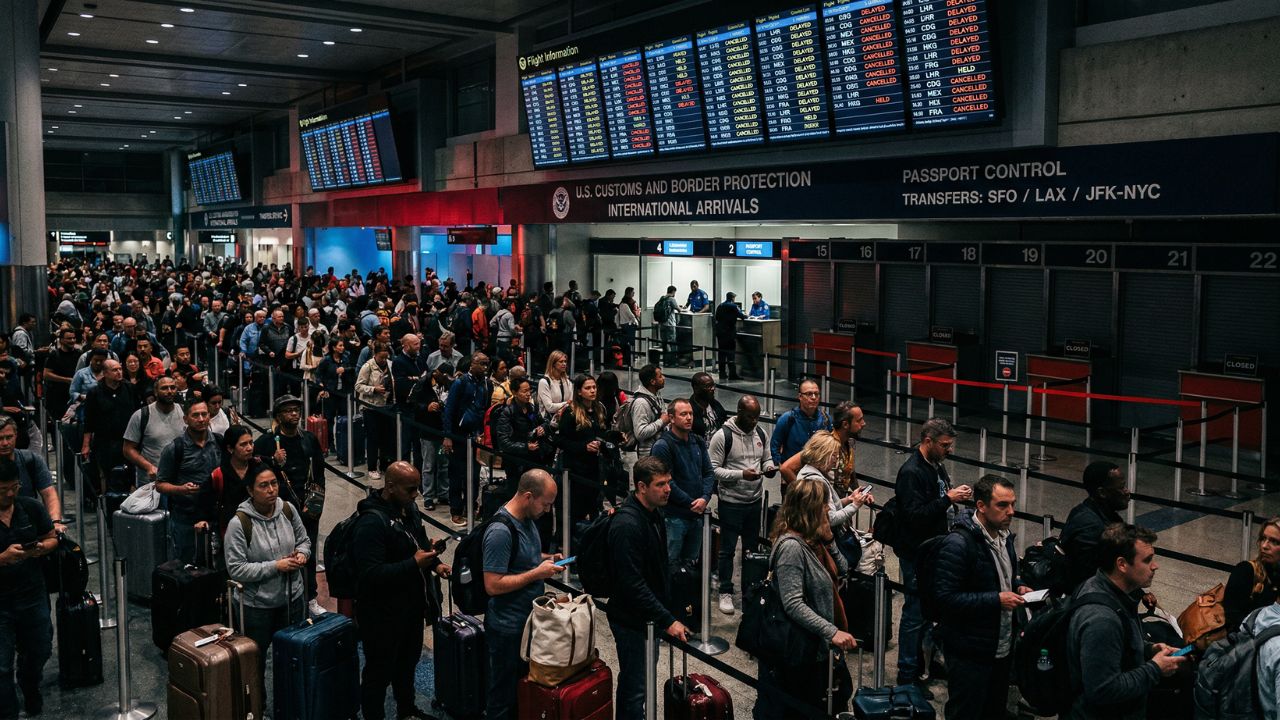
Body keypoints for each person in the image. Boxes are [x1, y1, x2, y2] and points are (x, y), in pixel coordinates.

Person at [351, 461, 451, 720]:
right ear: (390, 486)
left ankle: (406, 710)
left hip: (411, 607)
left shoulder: (410, 509)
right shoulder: (371, 523)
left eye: (417, 488)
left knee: (407, 665)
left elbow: (418, 542)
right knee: (378, 673)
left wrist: (436, 563)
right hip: (380, 614)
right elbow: (370, 574)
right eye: (410, 489)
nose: (416, 494)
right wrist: (413, 563)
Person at [753, 477, 855, 720]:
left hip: (816, 645)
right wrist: (831, 631)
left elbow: (842, 569)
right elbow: (793, 603)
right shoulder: (792, 547)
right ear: (810, 509)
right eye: (824, 505)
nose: (829, 509)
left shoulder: (814, 539)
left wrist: (830, 540)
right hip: (798, 648)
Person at [933, 475, 1030, 720]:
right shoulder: (958, 544)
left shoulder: (1003, 536)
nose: (1011, 512)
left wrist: (1017, 586)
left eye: (1012, 504)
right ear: (981, 506)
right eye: (1002, 505)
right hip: (970, 650)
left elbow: (1002, 576)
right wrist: (996, 600)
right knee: (967, 711)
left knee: (993, 709)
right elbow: (945, 598)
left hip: (999, 646)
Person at [1066, 523, 1186, 719]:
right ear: (1121, 564)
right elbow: (1102, 689)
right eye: (1147, 560)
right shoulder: (1102, 620)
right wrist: (1155, 668)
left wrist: (1147, 649)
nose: (1155, 566)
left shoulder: (1101, 587)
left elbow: (1114, 648)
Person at [605, 456, 689, 719]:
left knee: (641, 681)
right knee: (635, 686)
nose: (668, 490)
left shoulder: (653, 514)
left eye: (669, 483)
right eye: (660, 484)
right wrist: (667, 619)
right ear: (642, 487)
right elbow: (632, 583)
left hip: (647, 617)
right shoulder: (628, 525)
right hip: (630, 620)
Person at [893, 418, 970, 693]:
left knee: (930, 613)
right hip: (917, 553)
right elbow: (914, 517)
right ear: (928, 442)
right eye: (945, 445)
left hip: (935, 549)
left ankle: (926, 661)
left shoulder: (936, 465)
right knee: (914, 614)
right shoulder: (911, 472)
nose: (949, 450)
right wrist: (947, 499)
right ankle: (907, 673)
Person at [481, 470, 563, 720]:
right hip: (507, 628)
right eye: (546, 504)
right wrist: (537, 574)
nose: (547, 511)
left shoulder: (527, 521)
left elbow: (521, 559)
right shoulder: (500, 532)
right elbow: (492, 584)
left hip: (526, 624)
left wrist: (547, 561)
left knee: (521, 694)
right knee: (503, 697)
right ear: (528, 496)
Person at [222, 463, 310, 676]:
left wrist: (302, 554)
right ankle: (256, 706)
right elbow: (236, 569)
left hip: (292, 600)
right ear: (250, 491)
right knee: (255, 662)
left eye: (273, 483)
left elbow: (304, 540)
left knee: (292, 661)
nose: (271, 490)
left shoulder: (288, 510)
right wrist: (276, 566)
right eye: (263, 486)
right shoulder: (239, 523)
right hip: (257, 607)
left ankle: (288, 705)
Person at [253, 394, 327, 616]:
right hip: (279, 509)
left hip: (306, 508)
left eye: (296, 410)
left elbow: (319, 475)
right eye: (288, 411)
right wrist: (273, 461)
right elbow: (254, 469)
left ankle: (310, 597)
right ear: (278, 416)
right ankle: (284, 598)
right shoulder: (267, 442)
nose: (294, 414)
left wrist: (315, 505)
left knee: (309, 553)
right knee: (282, 553)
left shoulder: (308, 439)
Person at [0, 457, 56, 719]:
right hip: (1, 602)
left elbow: (51, 537)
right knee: (0, 667)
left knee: (40, 649)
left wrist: (42, 549)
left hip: (32, 594)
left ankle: (29, 683)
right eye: (3, 490)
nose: (10, 494)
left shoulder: (30, 507)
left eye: (14, 487)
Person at [708, 395, 773, 614]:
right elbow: (714, 469)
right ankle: (725, 590)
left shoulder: (761, 433)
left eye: (756, 417)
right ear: (739, 412)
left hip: (754, 501)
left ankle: (749, 590)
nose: (754, 421)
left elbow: (766, 458)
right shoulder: (722, 436)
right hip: (731, 503)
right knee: (727, 550)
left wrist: (770, 467)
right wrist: (741, 474)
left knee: (751, 549)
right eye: (750, 417)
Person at [155, 399, 222, 564]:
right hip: (186, 518)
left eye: (204, 414)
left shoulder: (219, 442)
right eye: (195, 415)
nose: (201, 419)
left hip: (215, 516)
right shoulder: (175, 449)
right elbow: (160, 485)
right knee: (188, 567)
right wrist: (181, 489)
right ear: (186, 419)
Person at [650, 398, 714, 567]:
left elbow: (708, 472)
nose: (689, 418)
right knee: (671, 563)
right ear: (671, 418)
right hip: (674, 516)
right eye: (683, 414)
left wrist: (705, 497)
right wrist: (691, 502)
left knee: (690, 564)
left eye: (691, 414)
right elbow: (666, 483)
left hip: (696, 514)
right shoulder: (662, 446)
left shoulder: (697, 441)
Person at [796, 431, 873, 568]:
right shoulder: (816, 481)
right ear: (823, 454)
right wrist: (855, 505)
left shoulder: (810, 473)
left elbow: (830, 505)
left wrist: (849, 499)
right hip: (820, 544)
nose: (835, 461)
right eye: (834, 456)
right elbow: (831, 518)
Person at [1060, 461, 1130, 594]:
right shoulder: (1090, 527)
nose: (1127, 492)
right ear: (1102, 492)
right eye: (1122, 487)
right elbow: (1090, 577)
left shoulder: (1097, 512)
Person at [552, 374, 609, 526]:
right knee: (575, 510)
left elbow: (602, 433)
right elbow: (560, 440)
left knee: (594, 506)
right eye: (588, 388)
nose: (592, 391)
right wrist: (583, 447)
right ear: (578, 391)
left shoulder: (599, 409)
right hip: (575, 468)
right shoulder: (570, 413)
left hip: (595, 467)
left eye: (594, 387)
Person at [443, 352, 491, 527]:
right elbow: (449, 409)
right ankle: (455, 510)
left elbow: (485, 410)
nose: (485, 368)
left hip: (475, 436)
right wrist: (448, 435)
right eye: (482, 364)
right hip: (457, 435)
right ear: (472, 364)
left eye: (487, 364)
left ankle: (470, 507)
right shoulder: (460, 383)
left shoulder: (486, 383)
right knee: (456, 474)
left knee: (474, 475)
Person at [80, 358, 137, 493]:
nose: (119, 372)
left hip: (128, 440)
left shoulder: (130, 388)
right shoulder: (94, 393)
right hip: (105, 441)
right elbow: (89, 421)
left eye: (120, 369)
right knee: (108, 476)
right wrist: (86, 444)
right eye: (114, 370)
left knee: (129, 474)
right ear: (105, 373)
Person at [122, 375, 188, 487]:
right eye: (164, 388)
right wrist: (149, 467)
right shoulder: (141, 415)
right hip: (151, 481)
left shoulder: (185, 413)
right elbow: (128, 449)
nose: (169, 391)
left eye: (172, 388)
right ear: (156, 392)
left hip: (180, 480)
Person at [780, 401, 864, 488]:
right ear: (845, 424)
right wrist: (806, 493)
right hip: (823, 500)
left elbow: (849, 475)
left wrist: (860, 493)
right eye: (859, 420)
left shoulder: (848, 443)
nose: (863, 423)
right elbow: (786, 468)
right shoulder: (824, 445)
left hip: (840, 500)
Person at [0, 417, 62, 534]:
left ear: (16, 435)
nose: (5, 443)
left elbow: (49, 493)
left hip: (29, 525)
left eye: (9, 437)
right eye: (0, 439)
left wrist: (55, 522)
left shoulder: (31, 460)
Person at [492, 377, 550, 500]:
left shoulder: (531, 408)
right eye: (524, 391)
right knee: (516, 496)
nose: (528, 394)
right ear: (514, 392)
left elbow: (544, 422)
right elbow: (504, 443)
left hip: (533, 459)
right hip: (515, 462)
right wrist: (525, 447)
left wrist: (542, 428)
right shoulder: (507, 412)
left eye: (529, 390)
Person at [1222, 515, 1280, 630]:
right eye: (1263, 538)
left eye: (1274, 542)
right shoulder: (1245, 570)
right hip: (1245, 641)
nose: (1264, 546)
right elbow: (1232, 617)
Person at [769, 379, 832, 478]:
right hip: (792, 476)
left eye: (816, 394)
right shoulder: (787, 419)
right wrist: (782, 468)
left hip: (819, 476)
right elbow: (774, 446)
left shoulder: (826, 419)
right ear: (800, 396)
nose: (814, 397)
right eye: (809, 394)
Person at [413, 362, 453, 511]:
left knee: (443, 464)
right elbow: (413, 404)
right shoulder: (423, 383)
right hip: (428, 432)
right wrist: (426, 407)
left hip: (442, 432)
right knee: (428, 465)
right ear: (437, 372)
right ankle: (428, 496)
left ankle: (443, 493)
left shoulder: (447, 384)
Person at [355, 342, 396, 480]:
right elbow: (358, 386)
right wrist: (373, 389)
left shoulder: (390, 364)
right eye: (381, 357)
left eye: (386, 357)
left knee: (387, 438)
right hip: (370, 407)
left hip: (387, 406)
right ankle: (372, 467)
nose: (384, 360)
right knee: (373, 438)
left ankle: (385, 465)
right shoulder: (367, 367)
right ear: (375, 355)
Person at [212, 425, 254, 544]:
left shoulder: (260, 469)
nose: (249, 448)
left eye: (251, 443)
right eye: (243, 444)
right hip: (231, 532)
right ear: (230, 449)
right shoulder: (219, 474)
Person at [629, 364, 668, 461]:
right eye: (660, 376)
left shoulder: (656, 395)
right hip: (648, 455)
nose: (664, 378)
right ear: (652, 381)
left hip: (659, 449)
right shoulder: (641, 403)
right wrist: (662, 421)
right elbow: (640, 433)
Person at [688, 372, 727, 442]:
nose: (713, 389)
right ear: (696, 389)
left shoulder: (715, 405)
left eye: (713, 385)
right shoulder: (689, 409)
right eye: (708, 386)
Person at [713, 292, 745, 379]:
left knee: (722, 354)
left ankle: (722, 373)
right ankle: (732, 374)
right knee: (730, 353)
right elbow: (742, 316)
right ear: (732, 298)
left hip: (720, 333)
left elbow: (717, 318)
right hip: (729, 333)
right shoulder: (733, 306)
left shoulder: (720, 306)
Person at [536, 350, 571, 419]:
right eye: (561, 361)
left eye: (565, 361)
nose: (564, 364)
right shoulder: (544, 382)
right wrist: (566, 403)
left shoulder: (568, 381)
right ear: (553, 363)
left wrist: (567, 404)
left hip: (565, 418)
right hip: (549, 420)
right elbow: (550, 407)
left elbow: (572, 403)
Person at [656, 286, 679, 365]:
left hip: (662, 324)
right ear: (673, 291)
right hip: (670, 324)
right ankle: (672, 362)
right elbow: (678, 309)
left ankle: (665, 361)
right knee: (672, 343)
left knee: (664, 343)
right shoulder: (671, 299)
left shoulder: (662, 298)